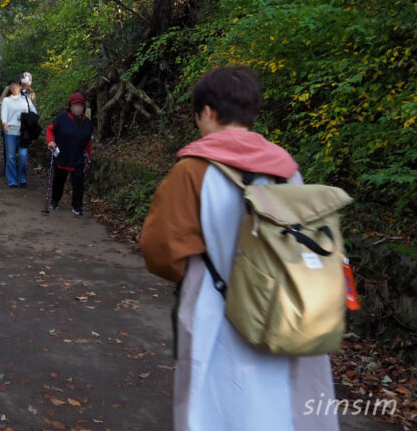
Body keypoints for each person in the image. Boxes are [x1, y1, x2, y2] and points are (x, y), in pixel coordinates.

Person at [140, 66, 338, 431]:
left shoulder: (193, 170)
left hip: (216, 309)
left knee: (216, 406)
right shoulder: (286, 169)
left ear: (208, 112)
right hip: (284, 310)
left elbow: (161, 251)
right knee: (278, 406)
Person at [46, 92, 93, 216]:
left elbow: (88, 141)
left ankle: (77, 206)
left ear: (83, 107)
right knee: (59, 179)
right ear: (70, 106)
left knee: (78, 181)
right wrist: (50, 141)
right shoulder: (62, 118)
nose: (77, 108)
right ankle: (55, 200)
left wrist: (89, 157)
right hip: (63, 154)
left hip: (78, 156)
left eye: (80, 105)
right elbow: (50, 129)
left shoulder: (87, 122)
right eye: (75, 105)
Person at [0, 77, 34, 188]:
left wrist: (27, 119)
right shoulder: (6, 100)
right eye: (11, 86)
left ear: (20, 86)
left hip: (23, 132)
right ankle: (12, 180)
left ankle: (22, 178)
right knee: (10, 156)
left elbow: (34, 112)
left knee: (23, 155)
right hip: (10, 131)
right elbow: (3, 112)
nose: (13, 87)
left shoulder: (26, 99)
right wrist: (4, 123)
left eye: (15, 85)